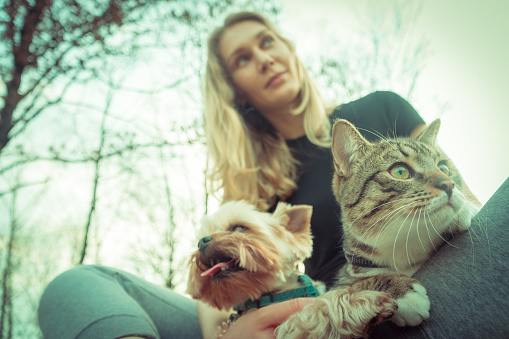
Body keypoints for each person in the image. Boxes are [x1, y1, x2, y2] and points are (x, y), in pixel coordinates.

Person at [38, 11, 509, 339]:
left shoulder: (379, 110)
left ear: (289, 51)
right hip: (318, 315)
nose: (262, 58)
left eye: (268, 43)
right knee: (78, 286)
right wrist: (229, 333)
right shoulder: (256, 186)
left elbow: (464, 202)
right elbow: (217, 294)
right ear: (235, 91)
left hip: (437, 281)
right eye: (242, 58)